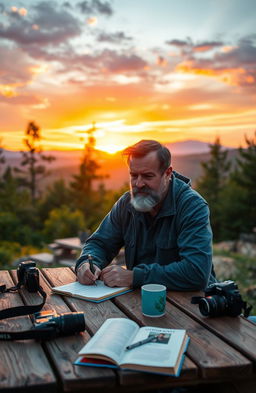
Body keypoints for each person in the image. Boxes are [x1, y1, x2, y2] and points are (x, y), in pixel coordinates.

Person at [75, 139, 216, 290]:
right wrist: (87, 263)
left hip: (191, 305)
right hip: (140, 301)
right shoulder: (126, 204)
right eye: (134, 175)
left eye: (148, 176)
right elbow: (100, 243)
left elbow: (196, 272)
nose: (139, 184)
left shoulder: (192, 206)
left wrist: (134, 277)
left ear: (167, 173)